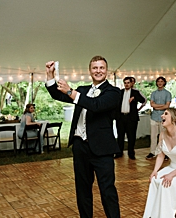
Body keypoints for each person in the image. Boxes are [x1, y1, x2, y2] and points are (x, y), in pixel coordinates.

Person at [44, 56, 121, 218]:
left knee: (107, 190)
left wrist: (71, 92)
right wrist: (50, 76)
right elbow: (58, 95)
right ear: (90, 70)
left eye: (101, 68)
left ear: (106, 70)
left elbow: (96, 105)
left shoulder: (113, 92)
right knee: (82, 190)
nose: (98, 71)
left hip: (102, 149)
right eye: (95, 68)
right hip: (80, 147)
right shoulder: (83, 90)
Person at [116, 76, 146, 159]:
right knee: (120, 136)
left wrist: (134, 98)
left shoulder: (135, 92)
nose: (126, 84)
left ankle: (131, 153)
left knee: (131, 136)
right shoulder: (120, 92)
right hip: (121, 117)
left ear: (131, 83)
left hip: (131, 118)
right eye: (125, 83)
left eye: (128, 83)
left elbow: (143, 100)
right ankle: (119, 152)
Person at [148, 77, 172, 160]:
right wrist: (162, 106)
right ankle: (152, 152)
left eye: (162, 81)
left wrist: (157, 106)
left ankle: (164, 153)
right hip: (154, 117)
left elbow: (167, 106)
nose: (160, 83)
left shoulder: (167, 93)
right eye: (158, 81)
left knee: (164, 136)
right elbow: (152, 105)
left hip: (163, 118)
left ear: (164, 83)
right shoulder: (153, 93)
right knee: (153, 136)